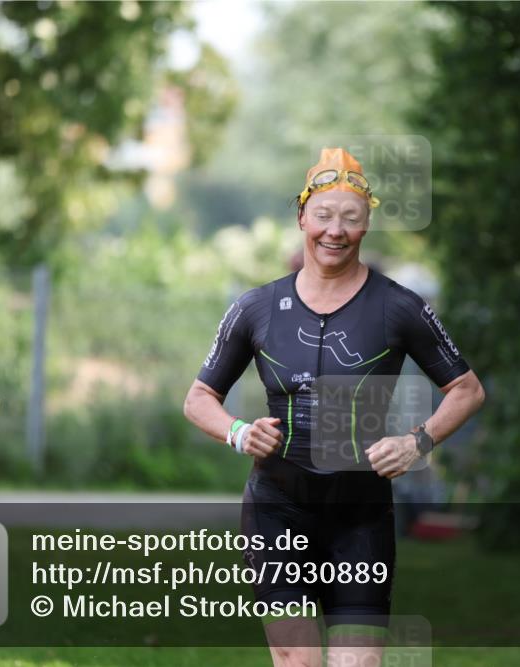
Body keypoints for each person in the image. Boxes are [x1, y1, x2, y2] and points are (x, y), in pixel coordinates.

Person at [183, 147, 485, 667]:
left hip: (360, 514)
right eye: (323, 215)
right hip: (278, 508)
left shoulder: (399, 306)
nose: (334, 230)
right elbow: (199, 398)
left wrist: (419, 441)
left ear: (366, 224)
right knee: (297, 661)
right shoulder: (255, 308)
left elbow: (467, 390)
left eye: (350, 217)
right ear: (302, 217)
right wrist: (238, 432)